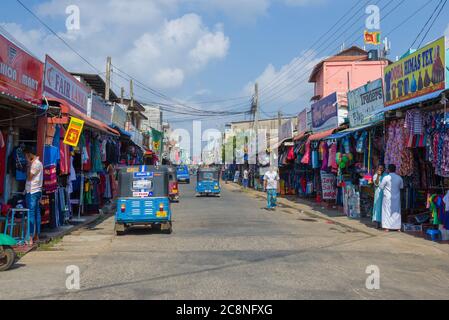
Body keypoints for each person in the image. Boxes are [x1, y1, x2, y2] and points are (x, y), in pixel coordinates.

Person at [24, 146, 43, 242]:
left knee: (31, 213)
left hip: (32, 191)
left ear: (29, 154)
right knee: (36, 213)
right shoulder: (38, 163)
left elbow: (29, 177)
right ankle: (36, 236)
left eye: (26, 155)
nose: (25, 157)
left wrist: (28, 165)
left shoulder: (35, 164)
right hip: (36, 191)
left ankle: (31, 237)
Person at [379, 164, 404, 232]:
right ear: (395, 169)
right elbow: (401, 187)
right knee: (397, 212)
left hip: (387, 197)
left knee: (387, 211)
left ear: (388, 170)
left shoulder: (386, 177)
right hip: (396, 197)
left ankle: (387, 227)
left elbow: (381, 187)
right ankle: (397, 227)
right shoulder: (399, 178)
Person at [372, 165, 386, 229]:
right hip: (378, 193)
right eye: (379, 168)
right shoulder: (375, 175)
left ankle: (384, 222)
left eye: (381, 168)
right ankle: (377, 222)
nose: (380, 169)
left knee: (384, 207)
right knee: (378, 207)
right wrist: (378, 175)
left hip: (385, 193)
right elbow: (376, 183)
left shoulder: (386, 175)